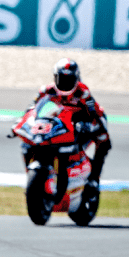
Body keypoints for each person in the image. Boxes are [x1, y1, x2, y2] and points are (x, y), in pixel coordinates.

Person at [29, 59, 110, 192]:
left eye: (69, 79)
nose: (65, 82)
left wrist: (90, 126)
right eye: (62, 78)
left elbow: (94, 113)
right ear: (55, 77)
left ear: (76, 78)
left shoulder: (83, 92)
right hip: (56, 124)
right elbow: (32, 108)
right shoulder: (46, 90)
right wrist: (27, 121)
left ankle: (94, 179)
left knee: (104, 141)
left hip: (79, 124)